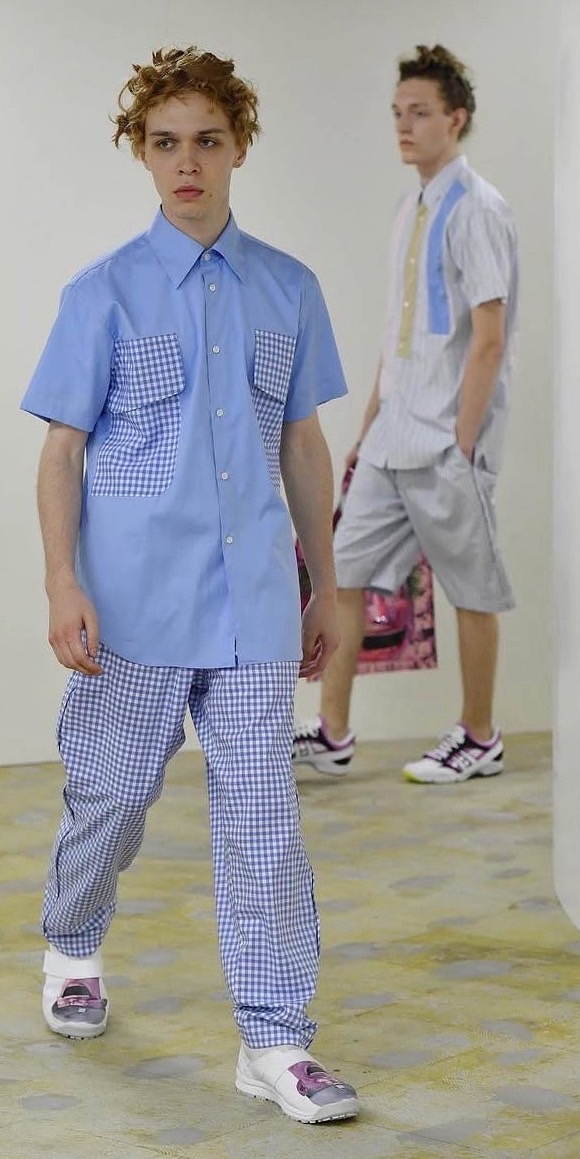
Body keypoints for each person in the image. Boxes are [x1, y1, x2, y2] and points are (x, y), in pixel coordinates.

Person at [20, 47, 358, 1123]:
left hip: (254, 602)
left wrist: (325, 583)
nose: (187, 163)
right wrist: (62, 582)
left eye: (207, 140)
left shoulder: (289, 288)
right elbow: (62, 451)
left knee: (263, 821)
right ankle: (73, 942)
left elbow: (301, 442)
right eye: (165, 143)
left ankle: (275, 1037)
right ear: (142, 153)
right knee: (113, 796)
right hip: (133, 605)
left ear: (239, 146)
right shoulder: (101, 294)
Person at [292, 44, 518, 786]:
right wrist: (368, 428)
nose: (404, 125)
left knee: (472, 590)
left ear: (457, 119)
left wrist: (462, 442)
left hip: (447, 442)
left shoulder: (479, 208)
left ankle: (480, 737)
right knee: (343, 573)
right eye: (397, 112)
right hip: (392, 437)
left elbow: (489, 336)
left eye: (419, 112)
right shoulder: (409, 209)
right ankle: (332, 733)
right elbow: (400, 333)